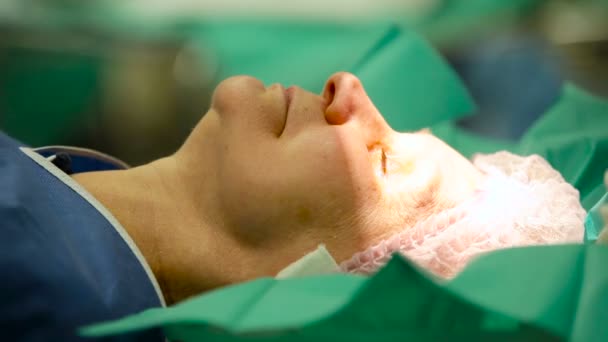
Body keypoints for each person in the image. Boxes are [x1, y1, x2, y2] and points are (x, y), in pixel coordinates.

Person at [0, 72, 585, 341]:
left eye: (385, 162)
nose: (349, 87)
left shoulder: (29, 284)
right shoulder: (48, 197)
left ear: (316, 291)